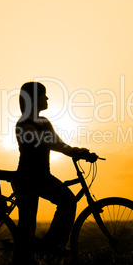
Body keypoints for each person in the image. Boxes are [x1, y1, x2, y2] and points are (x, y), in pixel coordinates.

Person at [14, 81, 90, 255]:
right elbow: (47, 142)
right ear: (34, 98)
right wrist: (71, 151)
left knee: (66, 202)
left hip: (42, 176)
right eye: (43, 94)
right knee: (28, 225)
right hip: (28, 177)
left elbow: (58, 143)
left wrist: (78, 152)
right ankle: (45, 251)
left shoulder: (44, 122)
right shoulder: (24, 124)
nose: (47, 98)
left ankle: (50, 246)